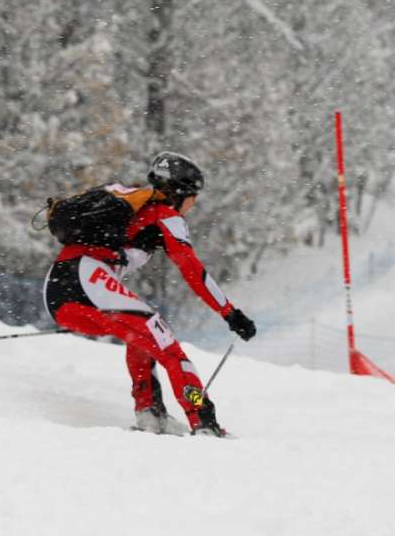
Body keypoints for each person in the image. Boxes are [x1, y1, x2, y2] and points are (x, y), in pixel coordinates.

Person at [43, 152, 256, 437]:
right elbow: (194, 271)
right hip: (87, 279)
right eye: (194, 197)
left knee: (143, 337)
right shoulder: (165, 213)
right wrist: (230, 313)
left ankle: (150, 415)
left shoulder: (129, 199)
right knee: (169, 348)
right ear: (182, 193)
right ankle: (204, 421)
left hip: (59, 290)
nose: (193, 205)